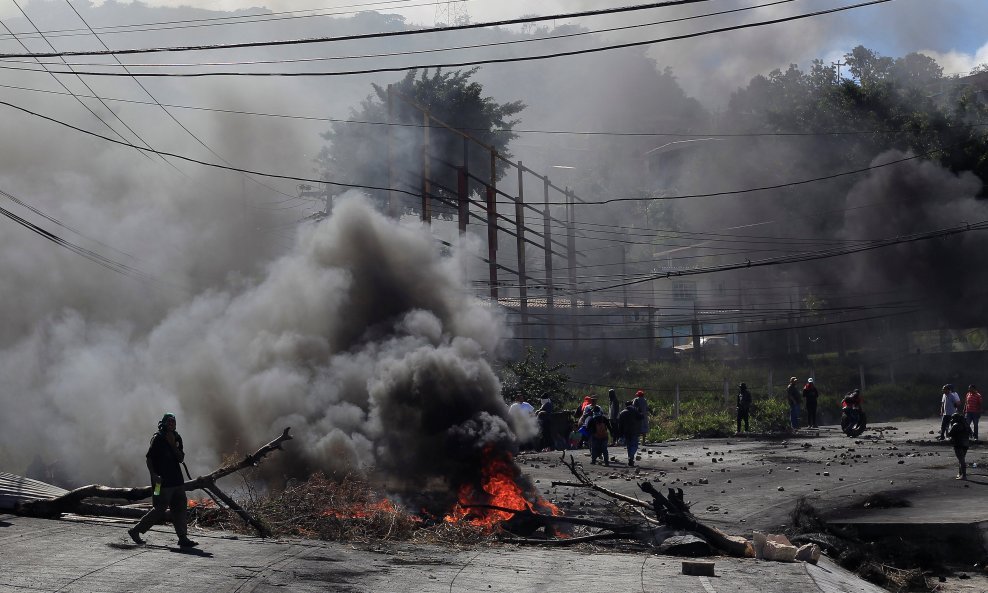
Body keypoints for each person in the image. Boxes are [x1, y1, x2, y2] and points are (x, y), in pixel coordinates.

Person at [128, 413, 198, 548]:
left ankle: (183, 537)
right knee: (159, 508)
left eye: (174, 422)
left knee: (180, 508)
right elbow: (149, 459)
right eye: (169, 422)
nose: (172, 424)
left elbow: (181, 459)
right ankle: (135, 531)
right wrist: (153, 475)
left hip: (177, 481)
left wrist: (173, 445)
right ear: (164, 423)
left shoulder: (177, 438)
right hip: (160, 482)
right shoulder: (158, 438)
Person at [947, 411, 972, 480]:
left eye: (952, 418)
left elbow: (949, 434)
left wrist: (949, 427)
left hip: (958, 444)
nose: (951, 420)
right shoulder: (966, 424)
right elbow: (971, 433)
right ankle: (960, 473)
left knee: (961, 460)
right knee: (961, 459)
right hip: (966, 444)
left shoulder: (956, 425)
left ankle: (964, 475)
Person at [618, 401, 643, 466]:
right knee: (635, 445)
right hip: (634, 431)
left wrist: (620, 434)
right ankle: (631, 457)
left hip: (626, 432)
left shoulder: (622, 413)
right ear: (631, 404)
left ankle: (630, 460)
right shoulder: (635, 411)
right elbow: (641, 417)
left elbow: (620, 425)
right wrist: (640, 411)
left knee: (629, 446)